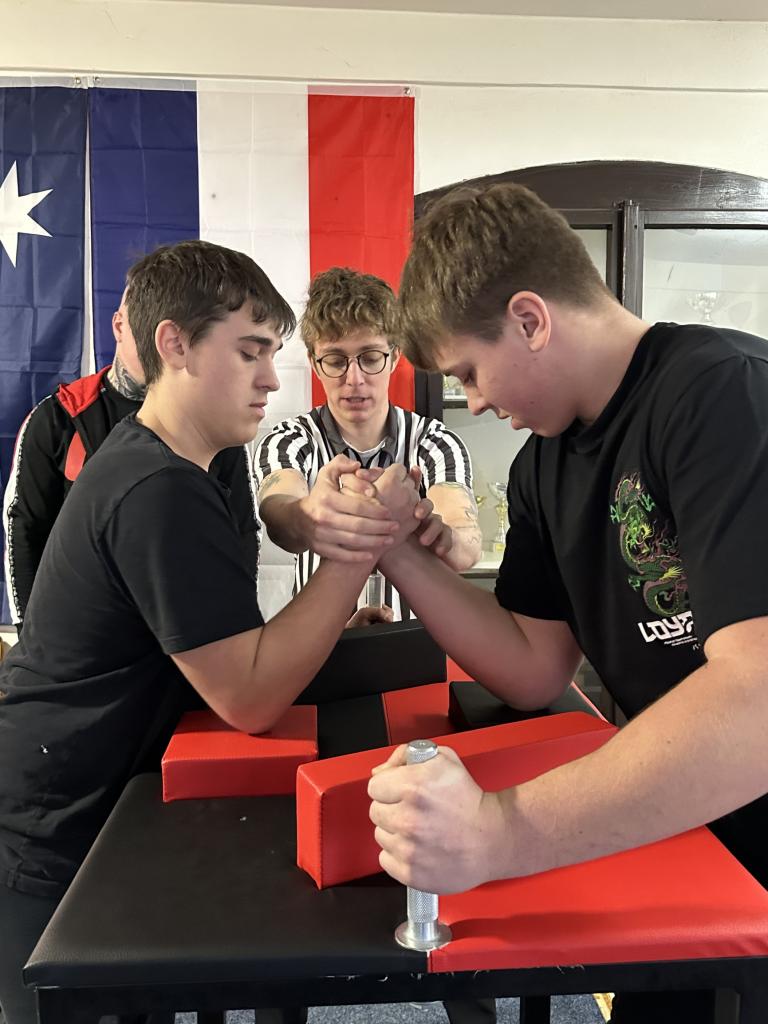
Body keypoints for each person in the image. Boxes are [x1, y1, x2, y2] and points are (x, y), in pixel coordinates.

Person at [366, 182, 768, 1024]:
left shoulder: (723, 396)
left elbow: (758, 698)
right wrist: (395, 549)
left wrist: (499, 833)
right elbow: (531, 665)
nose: (475, 400)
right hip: (686, 830)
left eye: (469, 372)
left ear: (530, 319)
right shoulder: (542, 465)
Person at [0, 240, 426, 1024]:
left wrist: (331, 618)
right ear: (175, 345)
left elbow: (226, 642)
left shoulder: (176, 464)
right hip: (59, 830)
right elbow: (250, 697)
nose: (271, 379)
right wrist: (360, 544)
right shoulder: (156, 486)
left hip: (105, 810)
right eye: (250, 352)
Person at [2, 289, 258, 632]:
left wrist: (236, 626)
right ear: (119, 326)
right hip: (82, 633)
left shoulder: (213, 422)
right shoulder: (60, 417)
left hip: (186, 633)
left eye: (173, 334)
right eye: (148, 328)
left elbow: (242, 528)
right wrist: (30, 631)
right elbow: (25, 526)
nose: (160, 346)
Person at [253, 267, 482, 621]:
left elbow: (467, 543)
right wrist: (310, 514)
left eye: (371, 358)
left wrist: (442, 536)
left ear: (395, 357)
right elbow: (280, 515)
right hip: (322, 644)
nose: (354, 379)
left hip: (416, 641)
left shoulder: (435, 442)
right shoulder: (289, 441)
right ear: (315, 364)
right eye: (335, 361)